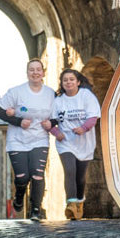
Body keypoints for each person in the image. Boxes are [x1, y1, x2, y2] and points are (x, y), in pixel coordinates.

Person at [0, 59, 57, 221]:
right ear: (27, 73)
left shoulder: (50, 94)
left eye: (38, 69)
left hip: (39, 139)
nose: (35, 72)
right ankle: (19, 196)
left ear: (43, 73)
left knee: (37, 175)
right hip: (17, 140)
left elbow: (59, 114)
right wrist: (18, 121)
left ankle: (36, 210)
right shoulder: (16, 92)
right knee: (22, 177)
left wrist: (52, 123)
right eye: (31, 70)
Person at [41, 69, 100, 221]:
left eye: (71, 79)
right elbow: (52, 122)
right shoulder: (58, 101)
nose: (68, 82)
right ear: (62, 83)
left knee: (80, 177)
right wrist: (55, 132)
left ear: (78, 82)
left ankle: (79, 202)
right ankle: (71, 204)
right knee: (69, 170)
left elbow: (93, 117)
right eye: (65, 80)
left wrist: (83, 128)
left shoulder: (86, 96)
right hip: (65, 142)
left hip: (84, 143)